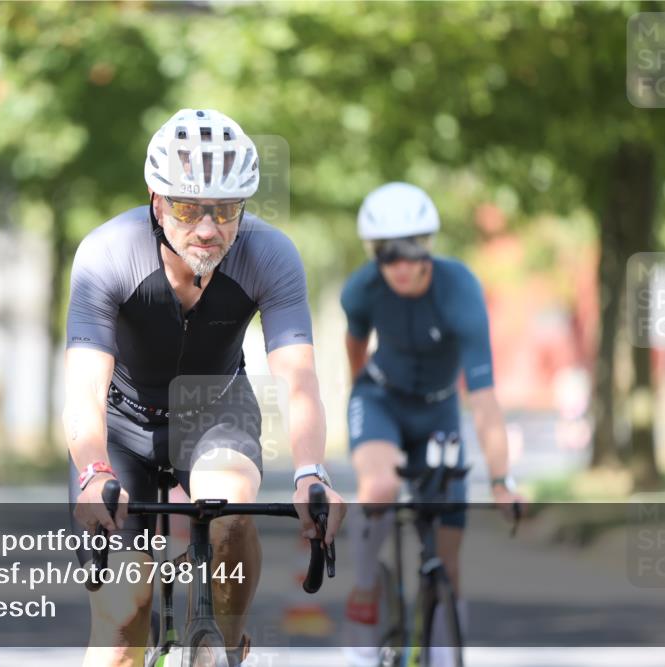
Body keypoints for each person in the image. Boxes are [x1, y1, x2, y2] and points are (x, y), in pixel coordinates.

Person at [64, 108, 346, 667]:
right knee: (122, 625)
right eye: (189, 208)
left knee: (230, 511)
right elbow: (83, 386)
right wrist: (94, 473)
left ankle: (226, 646)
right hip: (121, 423)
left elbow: (298, 377)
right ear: (156, 199)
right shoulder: (107, 253)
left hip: (215, 408)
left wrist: (312, 472)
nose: (209, 228)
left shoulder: (271, 254)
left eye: (226, 210)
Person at [339, 182, 523, 666]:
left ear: (429, 247)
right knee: (378, 486)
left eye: (411, 249)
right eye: (386, 253)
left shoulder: (460, 289)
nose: (399, 264)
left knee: (448, 558)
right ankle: (364, 584)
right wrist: (359, 398)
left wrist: (502, 481)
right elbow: (355, 347)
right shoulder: (361, 289)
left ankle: (443, 651)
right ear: (373, 254)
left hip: (440, 408)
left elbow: (483, 399)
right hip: (381, 398)